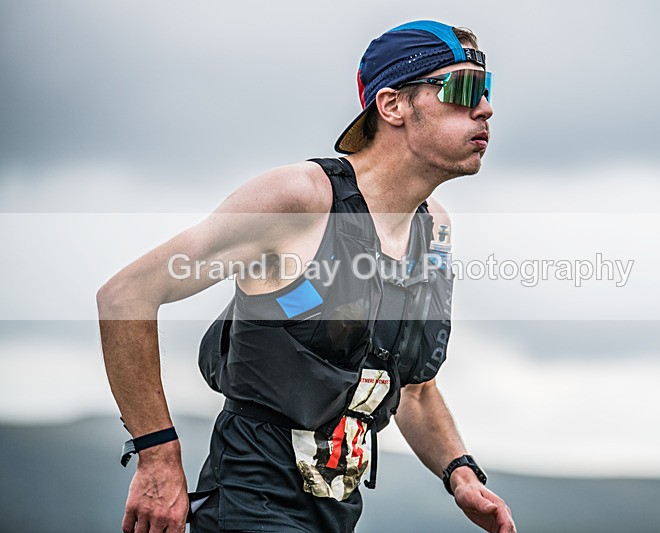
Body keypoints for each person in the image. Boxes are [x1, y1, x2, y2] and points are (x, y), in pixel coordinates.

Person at [97, 19, 515, 533]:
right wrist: (157, 458)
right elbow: (126, 295)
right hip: (249, 512)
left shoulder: (436, 231)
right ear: (393, 106)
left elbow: (413, 390)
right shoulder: (300, 201)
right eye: (464, 89)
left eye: (488, 89)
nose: (486, 108)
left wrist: (460, 474)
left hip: (336, 517)